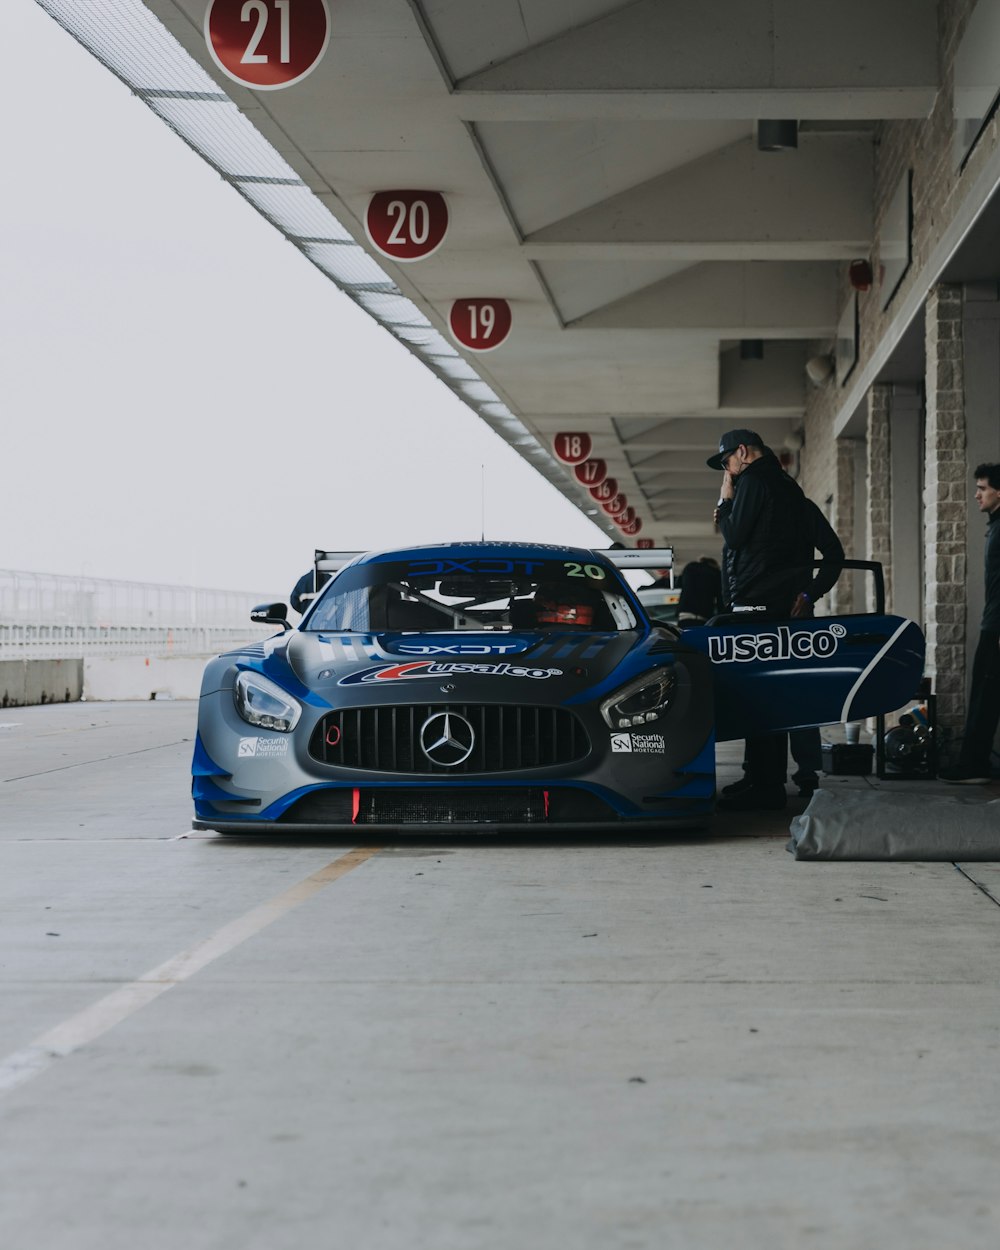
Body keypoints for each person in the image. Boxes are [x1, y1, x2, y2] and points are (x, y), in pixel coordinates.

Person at [707, 429, 813, 811]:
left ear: (741, 452)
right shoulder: (786, 485)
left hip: (758, 604)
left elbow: (734, 537)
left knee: (759, 693)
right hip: (775, 603)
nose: (728, 470)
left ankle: (766, 785)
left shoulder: (754, 480)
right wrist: (805, 593)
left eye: (726, 463)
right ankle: (760, 777)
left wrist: (726, 496)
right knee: (768, 691)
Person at [720, 493, 845, 800]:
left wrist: (809, 594)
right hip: (762, 620)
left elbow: (833, 553)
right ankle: (769, 775)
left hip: (788, 618)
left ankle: (802, 774)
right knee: (768, 696)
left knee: (794, 693)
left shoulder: (792, 509)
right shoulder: (746, 518)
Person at [939, 462, 1000, 783]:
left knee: (985, 699)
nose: (976, 495)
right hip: (993, 622)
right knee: (985, 696)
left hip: (997, 626)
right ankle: (974, 763)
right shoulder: (996, 525)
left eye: (982, 488)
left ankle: (973, 766)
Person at [677, 556, 722, 625]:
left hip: (683, 618)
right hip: (701, 619)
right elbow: (720, 598)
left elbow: (678, 583)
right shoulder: (716, 573)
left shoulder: (689, 567)